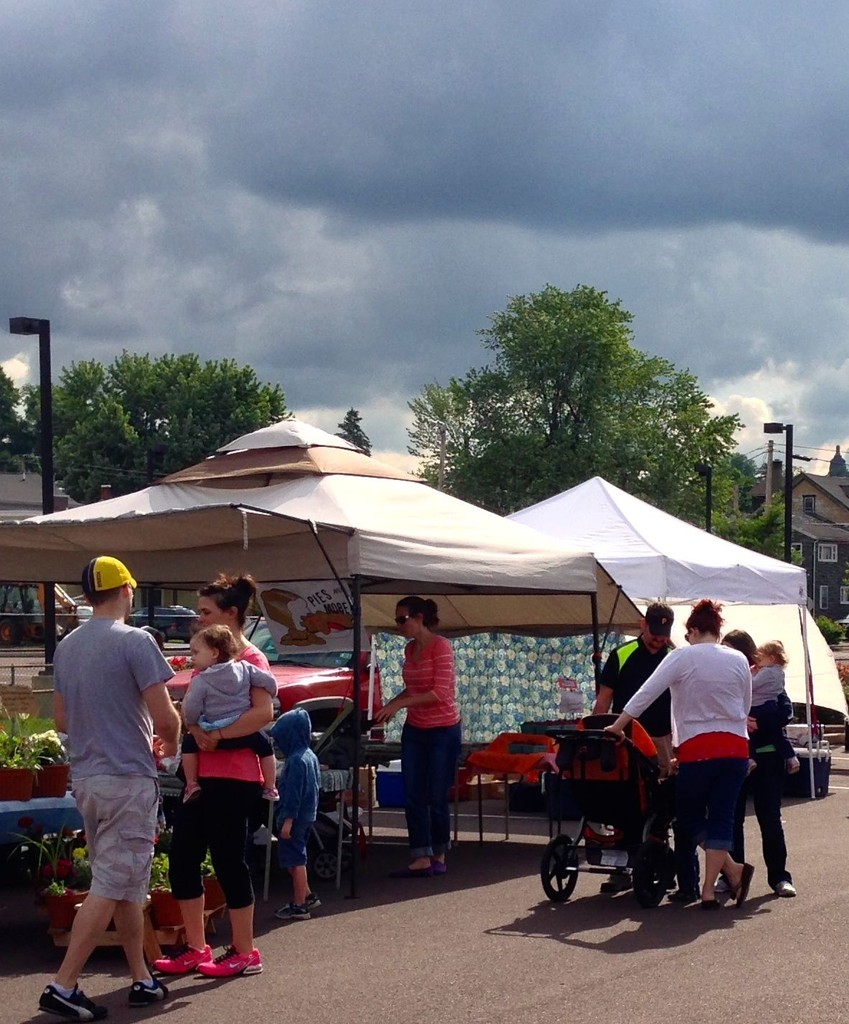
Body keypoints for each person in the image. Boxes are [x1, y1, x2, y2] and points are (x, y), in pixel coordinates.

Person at [38, 556, 181, 1021]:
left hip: (89, 778)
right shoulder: (136, 642)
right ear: (125, 591)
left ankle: (141, 976)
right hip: (128, 777)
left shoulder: (67, 646)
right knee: (113, 883)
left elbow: (60, 720)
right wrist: (172, 740)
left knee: (125, 883)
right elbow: (165, 717)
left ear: (86, 596)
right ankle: (63, 983)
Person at [153, 573, 273, 980]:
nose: (198, 618)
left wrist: (216, 735)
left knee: (228, 860)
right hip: (199, 776)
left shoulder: (251, 659)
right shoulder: (204, 658)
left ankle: (245, 951)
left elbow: (263, 714)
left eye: (205, 612)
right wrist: (188, 735)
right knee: (182, 857)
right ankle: (195, 945)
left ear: (231, 615)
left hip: (236, 776)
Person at [605, 599, 755, 909]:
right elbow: (745, 705)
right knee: (722, 819)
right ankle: (712, 888)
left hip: (699, 749)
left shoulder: (683, 656)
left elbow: (647, 692)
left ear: (694, 630)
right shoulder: (739, 659)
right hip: (735, 748)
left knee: (687, 816)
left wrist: (618, 725)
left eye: (687, 635)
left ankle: (730, 873)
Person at [373, 596, 461, 877]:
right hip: (416, 729)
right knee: (412, 793)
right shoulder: (410, 651)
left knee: (436, 794)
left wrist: (400, 705)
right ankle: (420, 855)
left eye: (403, 619)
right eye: (397, 620)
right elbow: (412, 690)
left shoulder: (441, 647)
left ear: (420, 618)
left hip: (443, 730)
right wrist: (391, 705)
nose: (399, 625)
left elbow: (440, 693)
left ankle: (439, 853)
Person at [592, 602, 676, 893]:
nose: (659, 639)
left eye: (664, 634)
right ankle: (620, 867)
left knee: (660, 800)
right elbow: (604, 698)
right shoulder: (622, 655)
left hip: (661, 738)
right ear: (643, 625)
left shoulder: (673, 656)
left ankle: (658, 861)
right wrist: (596, 730)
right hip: (623, 737)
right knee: (622, 795)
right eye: (655, 632)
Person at [723, 629, 798, 899]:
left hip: (768, 759)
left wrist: (758, 721)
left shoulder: (768, 677)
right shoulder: (729, 678)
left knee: (770, 818)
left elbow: (785, 711)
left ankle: (779, 877)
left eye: (732, 650)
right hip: (734, 757)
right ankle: (732, 875)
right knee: (732, 819)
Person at [180, 624, 279, 803]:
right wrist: (273, 690)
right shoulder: (245, 668)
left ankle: (191, 783)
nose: (192, 657)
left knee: (188, 744)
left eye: (195, 652)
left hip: (211, 729)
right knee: (265, 745)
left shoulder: (201, 680)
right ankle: (270, 787)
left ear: (214, 653)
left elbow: (192, 708)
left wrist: (192, 724)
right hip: (241, 730)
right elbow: (267, 681)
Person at [270, 707, 321, 920]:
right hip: (308, 815)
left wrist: (287, 821)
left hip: (294, 817)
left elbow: (293, 795)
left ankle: (300, 904)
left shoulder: (295, 762)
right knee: (295, 856)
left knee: (295, 859)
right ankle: (307, 895)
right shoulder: (310, 756)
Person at [752, 640, 800, 774]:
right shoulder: (780, 672)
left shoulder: (767, 672)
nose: (758, 662)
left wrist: (751, 674)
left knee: (750, 734)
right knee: (778, 734)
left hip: (758, 705)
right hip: (771, 704)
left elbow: (752, 684)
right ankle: (791, 756)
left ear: (771, 658)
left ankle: (750, 758)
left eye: (760, 659)